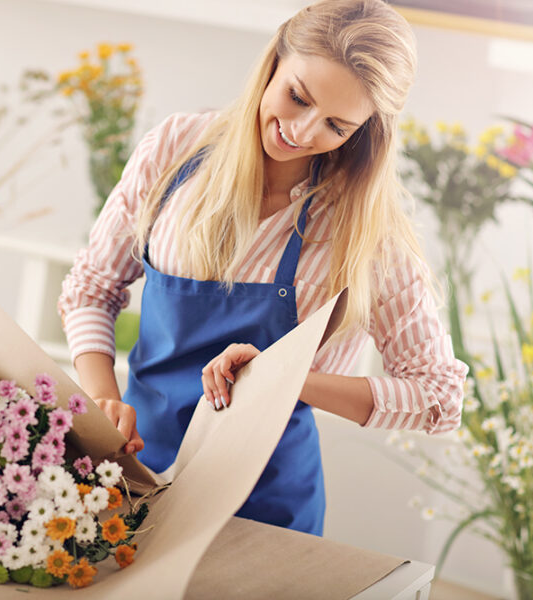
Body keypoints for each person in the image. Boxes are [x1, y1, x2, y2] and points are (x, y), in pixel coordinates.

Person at [58, 0, 467, 536]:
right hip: (133, 474)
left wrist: (288, 376)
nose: (301, 130)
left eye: (336, 126)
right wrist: (100, 397)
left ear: (366, 131)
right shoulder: (177, 148)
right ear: (274, 60)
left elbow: (440, 399)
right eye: (297, 96)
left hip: (265, 510)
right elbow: (92, 286)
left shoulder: (367, 232)